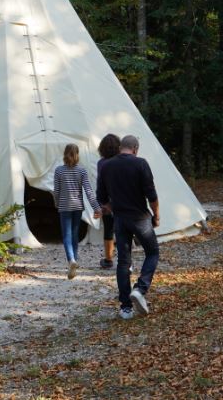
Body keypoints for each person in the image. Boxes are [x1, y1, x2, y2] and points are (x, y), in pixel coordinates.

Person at [96, 134, 159, 319]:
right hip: (140, 218)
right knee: (152, 252)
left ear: (120, 147)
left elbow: (101, 197)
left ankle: (125, 307)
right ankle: (140, 288)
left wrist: (111, 206)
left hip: (120, 220)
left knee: (123, 262)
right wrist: (157, 215)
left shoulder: (106, 165)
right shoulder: (141, 163)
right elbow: (152, 195)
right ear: (135, 149)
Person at [53, 143, 101, 279]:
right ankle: (74, 260)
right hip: (78, 207)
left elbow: (56, 191)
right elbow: (89, 192)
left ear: (65, 154)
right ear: (77, 154)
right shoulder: (82, 171)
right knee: (74, 235)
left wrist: (57, 203)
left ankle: (71, 260)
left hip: (64, 207)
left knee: (66, 236)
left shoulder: (59, 171)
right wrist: (96, 207)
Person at [96, 133, 121, 269]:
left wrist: (102, 202)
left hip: (107, 202)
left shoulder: (101, 163)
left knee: (108, 230)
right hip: (123, 201)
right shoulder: (123, 161)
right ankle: (126, 260)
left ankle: (108, 259)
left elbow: (101, 184)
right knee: (123, 230)